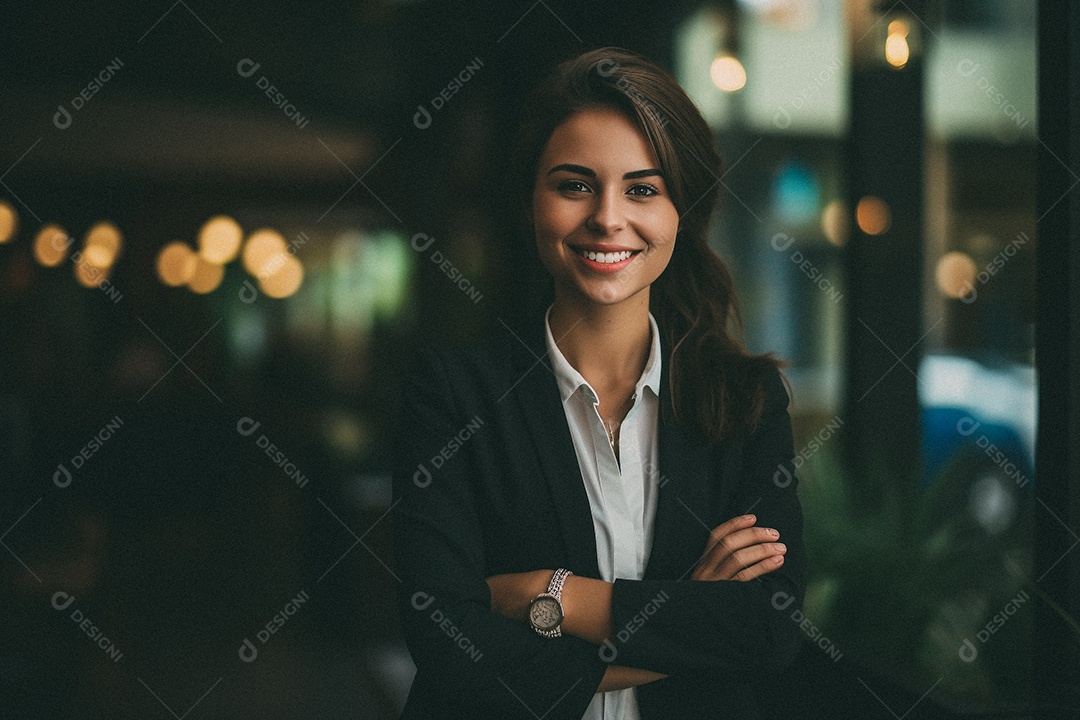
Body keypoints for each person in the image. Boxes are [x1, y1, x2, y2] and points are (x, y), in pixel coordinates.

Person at [391, 46, 805, 719]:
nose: (608, 217)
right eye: (574, 184)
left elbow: (767, 630)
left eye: (643, 189)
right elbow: (451, 654)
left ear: (682, 212)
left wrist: (551, 596)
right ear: (532, 201)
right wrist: (684, 612)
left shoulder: (745, 399)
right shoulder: (453, 395)